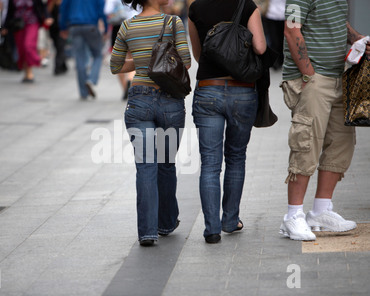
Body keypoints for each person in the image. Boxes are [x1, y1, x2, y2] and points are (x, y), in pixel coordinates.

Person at [279, 0, 370, 241]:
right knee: (307, 142)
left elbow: (338, 22)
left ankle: (320, 211)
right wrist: (309, 75)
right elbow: (291, 29)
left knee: (341, 142)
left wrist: (357, 38)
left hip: (339, 76)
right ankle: (293, 215)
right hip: (313, 79)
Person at [110, 0, 191, 246]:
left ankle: (147, 232)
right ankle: (165, 223)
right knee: (166, 164)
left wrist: (143, 62)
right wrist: (158, 59)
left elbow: (115, 66)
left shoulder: (127, 26)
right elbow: (185, 62)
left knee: (145, 166)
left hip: (138, 101)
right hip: (169, 102)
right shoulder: (173, 22)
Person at [188, 0, 266, 244]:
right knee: (235, 157)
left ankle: (211, 229)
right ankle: (230, 220)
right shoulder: (247, 5)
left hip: (208, 90)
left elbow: (198, 54)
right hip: (242, 91)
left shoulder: (196, 8)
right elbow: (261, 48)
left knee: (210, 163)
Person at [59, 0, 107, 100]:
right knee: (98, 55)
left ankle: (83, 92)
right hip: (91, 25)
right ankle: (91, 79)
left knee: (79, 59)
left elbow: (63, 9)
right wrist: (106, 28)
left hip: (74, 26)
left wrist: (63, 26)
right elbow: (102, 11)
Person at [4, 0, 53, 83]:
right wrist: (5, 26)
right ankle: (27, 73)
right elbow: (10, 11)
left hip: (32, 23)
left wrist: (47, 16)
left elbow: (42, 6)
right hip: (18, 25)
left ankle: (38, 60)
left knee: (28, 45)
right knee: (22, 49)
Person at [104, 0, 137, 100]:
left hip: (118, 27)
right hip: (134, 24)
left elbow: (107, 10)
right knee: (133, 57)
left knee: (118, 59)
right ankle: (130, 79)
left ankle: (124, 87)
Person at [261, 0, 285, 69]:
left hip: (284, 16)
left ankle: (281, 59)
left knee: (282, 40)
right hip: (271, 15)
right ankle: (275, 61)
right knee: (273, 40)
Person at [47, 0, 68, 75]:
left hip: (62, 29)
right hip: (53, 29)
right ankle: (63, 65)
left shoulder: (65, 3)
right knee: (58, 47)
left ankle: (58, 67)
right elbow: (47, 13)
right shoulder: (51, 3)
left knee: (60, 47)